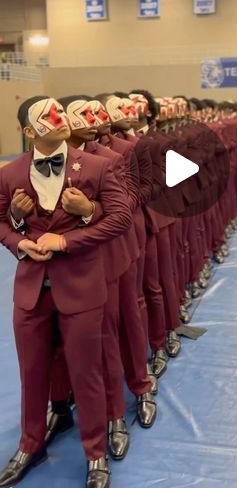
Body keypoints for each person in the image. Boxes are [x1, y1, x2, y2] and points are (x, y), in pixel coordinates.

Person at [0, 96, 132, 488]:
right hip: (30, 291)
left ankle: (95, 452)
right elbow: (1, 221)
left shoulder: (97, 165)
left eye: (59, 110)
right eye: (47, 115)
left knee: (87, 373)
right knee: (32, 372)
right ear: (28, 132)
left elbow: (120, 217)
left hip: (81, 287)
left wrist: (73, 233)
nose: (58, 117)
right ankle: (30, 442)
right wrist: (17, 236)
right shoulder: (10, 174)